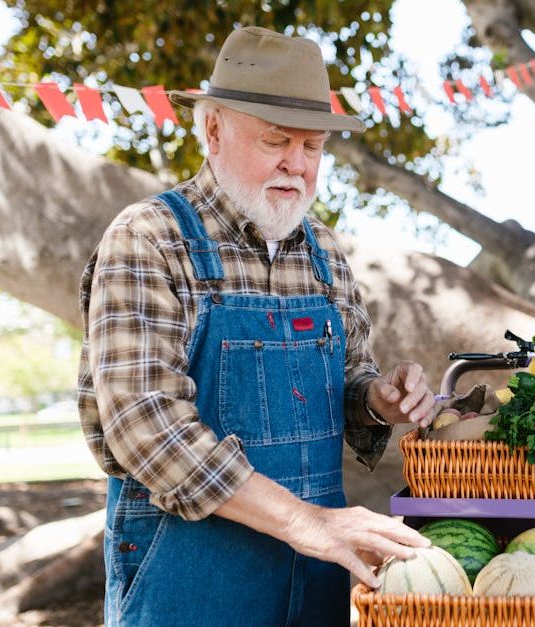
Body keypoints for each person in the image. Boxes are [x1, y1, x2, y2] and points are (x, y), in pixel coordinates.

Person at [77, 26, 435, 626]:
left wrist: (376, 399)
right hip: (188, 582)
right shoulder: (149, 239)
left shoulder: (322, 250)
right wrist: (306, 522)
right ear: (213, 129)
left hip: (313, 580)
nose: (296, 164)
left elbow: (348, 378)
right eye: (276, 141)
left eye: (313, 147)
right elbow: (145, 427)